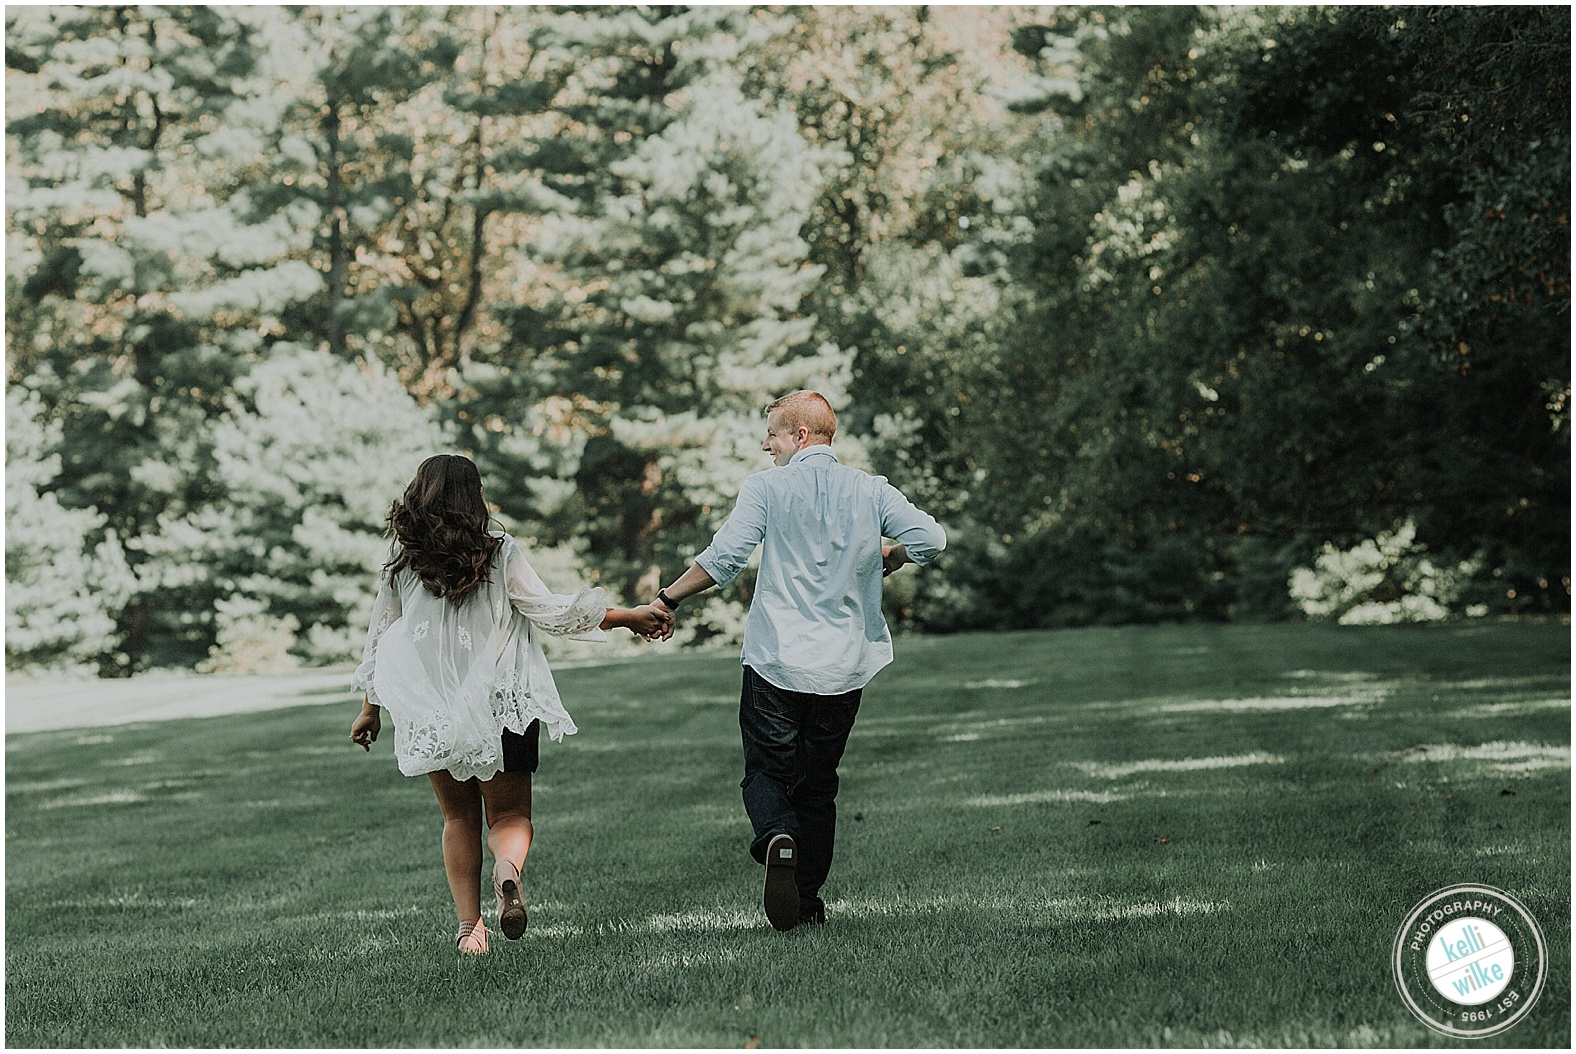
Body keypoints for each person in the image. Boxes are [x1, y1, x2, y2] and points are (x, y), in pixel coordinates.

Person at [348, 453, 671, 955]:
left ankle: (469, 929)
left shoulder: (404, 561)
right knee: (510, 815)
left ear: (420, 494)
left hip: (434, 713)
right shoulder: (498, 551)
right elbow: (552, 611)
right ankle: (507, 870)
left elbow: (381, 639)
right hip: (504, 705)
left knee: (457, 820)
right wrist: (628, 615)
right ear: (475, 497)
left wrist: (371, 708)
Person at [650, 391, 946, 930]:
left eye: (774, 434)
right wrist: (895, 554)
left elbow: (724, 559)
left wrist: (667, 599)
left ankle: (776, 836)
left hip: (776, 660)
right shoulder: (870, 488)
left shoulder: (767, 487)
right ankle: (806, 904)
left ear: (801, 436)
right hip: (844, 666)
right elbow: (931, 537)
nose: (766, 444)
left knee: (765, 771)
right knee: (819, 784)